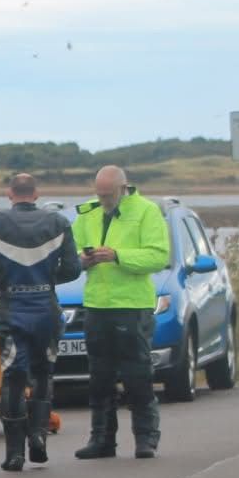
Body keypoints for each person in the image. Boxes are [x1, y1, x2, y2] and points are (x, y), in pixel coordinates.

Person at [0, 173, 81, 470]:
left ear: (10, 194)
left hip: (13, 308)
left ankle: (14, 454)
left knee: (13, 378)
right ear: (36, 193)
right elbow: (74, 269)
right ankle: (38, 436)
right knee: (43, 374)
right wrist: (48, 280)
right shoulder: (58, 223)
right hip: (46, 308)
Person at [71, 165, 170, 459]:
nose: (103, 200)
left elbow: (158, 255)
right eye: (99, 194)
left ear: (123, 188)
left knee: (137, 374)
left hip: (132, 305)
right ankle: (101, 439)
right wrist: (83, 260)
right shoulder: (87, 213)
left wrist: (118, 256)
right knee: (99, 377)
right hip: (96, 305)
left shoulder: (146, 211)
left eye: (108, 195)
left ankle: (145, 438)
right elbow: (70, 254)